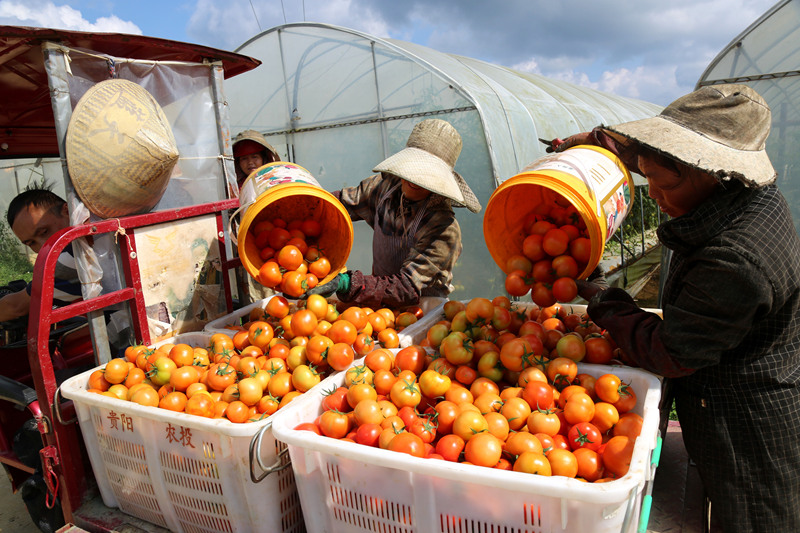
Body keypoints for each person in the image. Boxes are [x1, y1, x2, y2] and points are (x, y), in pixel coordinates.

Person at [553, 84, 800, 532]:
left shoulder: (738, 258)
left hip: (749, 426)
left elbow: (671, 351)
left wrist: (605, 301)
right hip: (727, 391)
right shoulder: (738, 192)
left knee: (752, 518)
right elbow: (654, 157)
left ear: (712, 174)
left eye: (663, 186)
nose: (655, 197)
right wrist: (593, 142)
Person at [306, 118, 482, 309]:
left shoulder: (443, 228)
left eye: (427, 174)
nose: (416, 179)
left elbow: (407, 287)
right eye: (414, 167)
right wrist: (305, 209)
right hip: (380, 306)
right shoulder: (384, 188)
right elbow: (338, 206)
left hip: (423, 311)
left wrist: (347, 284)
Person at [0, 189, 81, 322]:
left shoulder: (75, 256)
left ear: (67, 211)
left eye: (44, 232)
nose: (44, 246)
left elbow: (16, 307)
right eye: (31, 243)